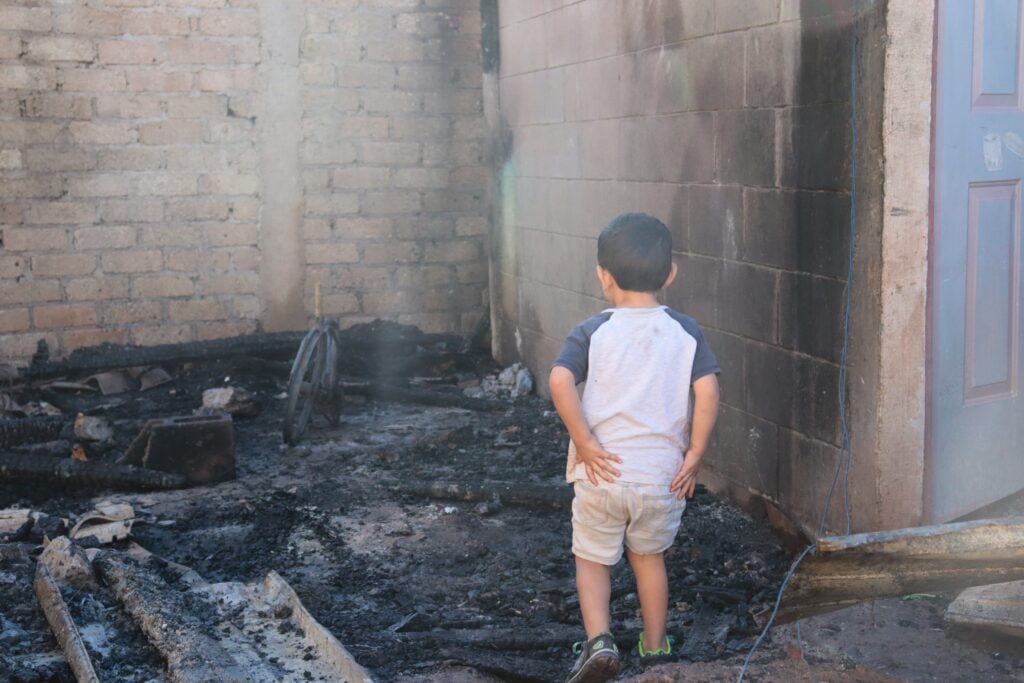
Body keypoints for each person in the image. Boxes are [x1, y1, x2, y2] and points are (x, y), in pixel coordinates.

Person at [549, 212, 721, 683]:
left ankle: (599, 641)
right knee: (649, 559)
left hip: (601, 474)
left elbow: (560, 379)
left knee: (592, 558)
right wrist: (694, 455)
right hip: (661, 477)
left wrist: (584, 443)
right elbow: (707, 391)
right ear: (670, 275)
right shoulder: (685, 331)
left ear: (603, 276)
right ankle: (654, 645)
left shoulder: (593, 329)